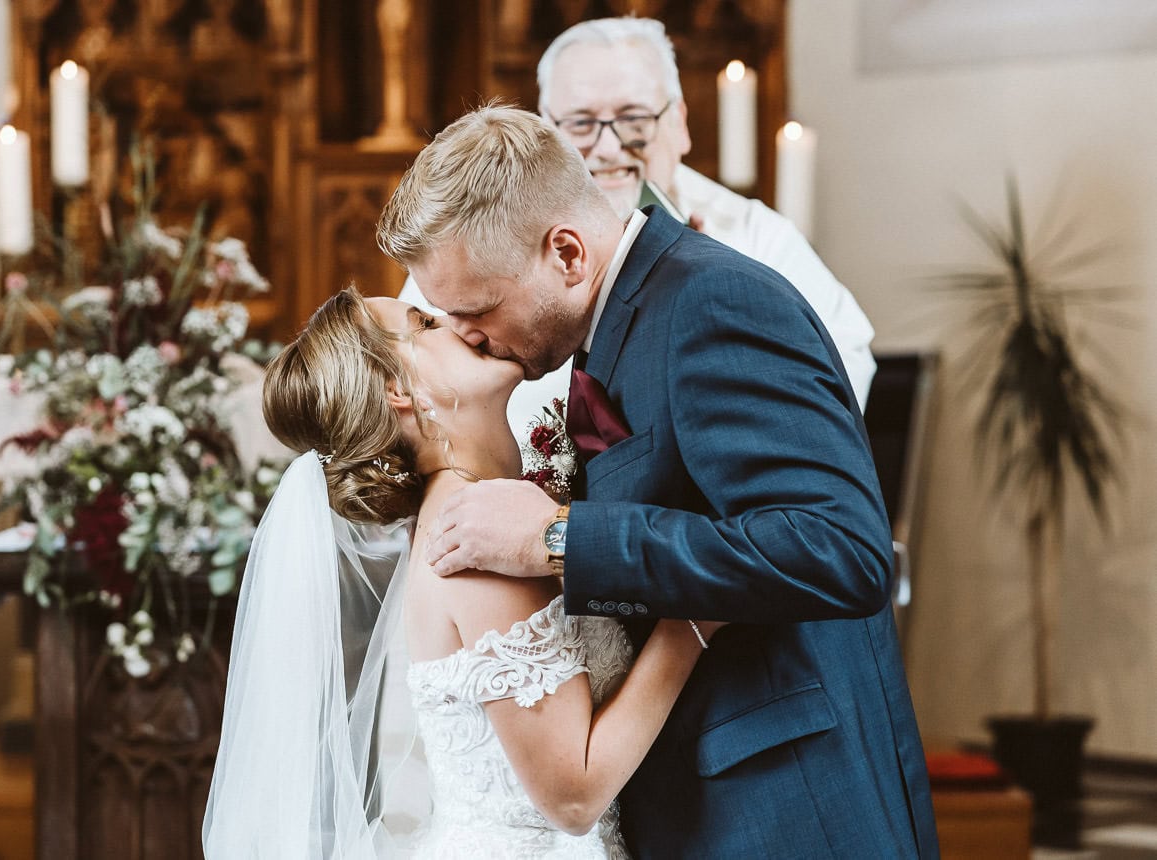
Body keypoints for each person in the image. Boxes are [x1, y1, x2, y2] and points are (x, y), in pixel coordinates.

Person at [377, 105, 939, 857]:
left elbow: (840, 548)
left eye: (476, 309)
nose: (469, 335)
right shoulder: (614, 326)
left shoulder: (712, 303)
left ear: (567, 254)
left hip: (786, 808)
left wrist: (557, 538)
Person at [202, 286, 722, 857]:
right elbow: (573, 796)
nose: (457, 322)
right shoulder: (477, 540)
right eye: (425, 323)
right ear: (397, 389)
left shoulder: (490, 509)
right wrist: (694, 615)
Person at [401, 15, 876, 435]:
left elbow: (840, 366)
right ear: (545, 130)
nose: (607, 149)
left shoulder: (756, 237)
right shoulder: (475, 249)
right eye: (582, 123)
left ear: (680, 124)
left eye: (632, 118)